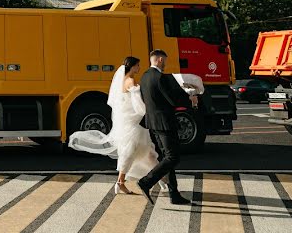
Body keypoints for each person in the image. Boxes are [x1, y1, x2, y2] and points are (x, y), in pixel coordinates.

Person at [68, 56, 169, 196]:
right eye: (138, 65)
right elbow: (138, 103)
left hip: (129, 122)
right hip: (133, 124)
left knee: (145, 154)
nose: (139, 68)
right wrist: (150, 109)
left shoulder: (122, 80)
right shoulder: (130, 81)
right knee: (134, 154)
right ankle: (125, 182)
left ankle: (162, 181)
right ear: (132, 66)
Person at [137, 49, 196, 205]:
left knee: (166, 157)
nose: (166, 65)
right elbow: (172, 100)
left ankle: (174, 194)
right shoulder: (160, 77)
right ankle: (146, 182)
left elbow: (144, 99)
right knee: (172, 157)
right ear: (160, 60)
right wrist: (190, 98)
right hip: (165, 123)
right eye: (165, 61)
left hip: (153, 123)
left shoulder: (144, 77)